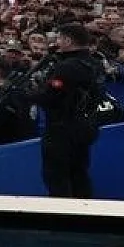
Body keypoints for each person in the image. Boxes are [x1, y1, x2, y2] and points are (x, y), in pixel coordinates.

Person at [34, 23, 103, 198]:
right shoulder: (95, 63)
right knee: (79, 174)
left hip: (62, 129)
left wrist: (31, 94)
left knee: (57, 177)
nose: (56, 42)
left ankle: (63, 218)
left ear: (67, 40)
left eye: (58, 38)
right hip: (86, 126)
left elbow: (51, 97)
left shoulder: (67, 67)